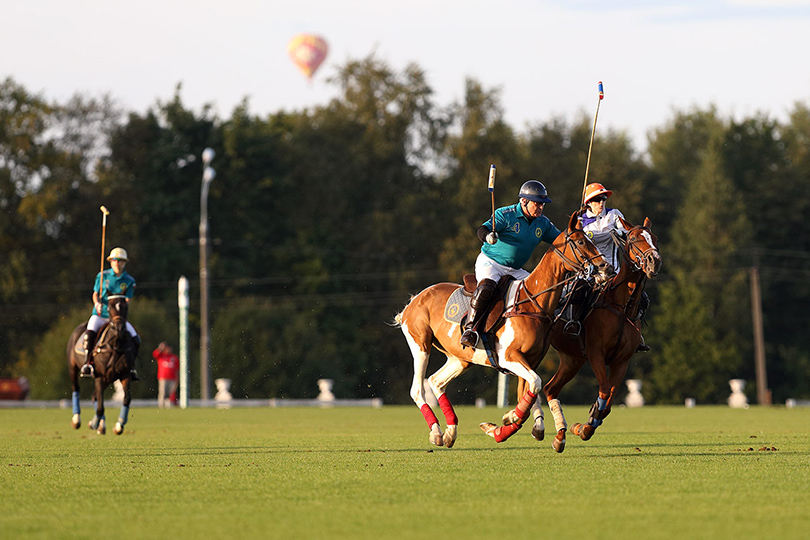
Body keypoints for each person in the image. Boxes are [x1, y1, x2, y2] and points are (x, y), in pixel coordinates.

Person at [460, 180, 561, 349]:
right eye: (537, 204)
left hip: (516, 269)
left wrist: (577, 229)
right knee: (486, 288)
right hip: (491, 262)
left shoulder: (542, 223)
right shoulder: (506, 214)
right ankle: (470, 329)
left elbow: (560, 240)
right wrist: (487, 236)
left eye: (543, 204)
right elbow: (481, 229)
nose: (541, 208)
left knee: (541, 291)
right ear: (524, 201)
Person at [579, 182, 650, 352]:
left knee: (642, 298)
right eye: (596, 199)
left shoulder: (614, 215)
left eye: (603, 198)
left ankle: (636, 335)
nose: (601, 202)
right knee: (576, 298)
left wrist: (621, 232)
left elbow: (625, 232)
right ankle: (576, 331)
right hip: (591, 274)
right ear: (588, 202)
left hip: (615, 273)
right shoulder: (581, 221)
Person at [79, 247, 142, 377]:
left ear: (124, 263)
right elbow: (95, 294)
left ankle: (131, 368)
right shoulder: (102, 276)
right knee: (89, 334)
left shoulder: (129, 281)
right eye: (114, 260)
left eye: (120, 260)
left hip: (118, 318)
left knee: (136, 339)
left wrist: (118, 308)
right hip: (100, 315)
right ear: (110, 262)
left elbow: (128, 299)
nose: (117, 263)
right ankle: (87, 364)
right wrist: (97, 304)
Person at [154, 342, 179, 408]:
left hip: (172, 378)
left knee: (171, 392)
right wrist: (160, 348)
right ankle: (161, 405)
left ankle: (170, 405)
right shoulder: (162, 356)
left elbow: (177, 369)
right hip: (163, 377)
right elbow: (155, 354)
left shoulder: (174, 357)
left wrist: (177, 378)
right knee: (162, 392)